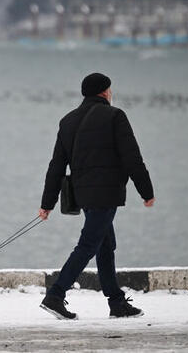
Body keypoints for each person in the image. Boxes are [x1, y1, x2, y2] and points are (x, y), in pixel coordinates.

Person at [38, 72, 155, 320]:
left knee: (104, 245)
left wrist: (47, 203)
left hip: (83, 194)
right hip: (106, 193)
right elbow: (132, 157)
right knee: (89, 244)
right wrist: (146, 191)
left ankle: (116, 302)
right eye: (110, 90)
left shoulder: (67, 121)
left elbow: (56, 165)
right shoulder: (115, 116)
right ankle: (55, 295)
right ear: (105, 91)